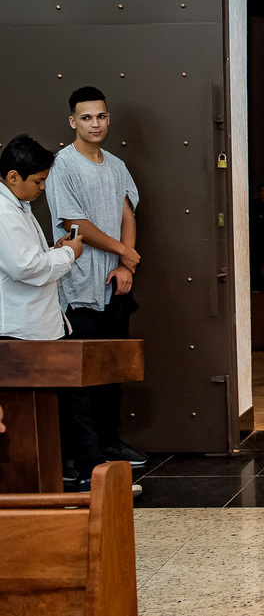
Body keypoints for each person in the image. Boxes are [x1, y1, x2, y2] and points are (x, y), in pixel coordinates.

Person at [45, 87, 146, 486]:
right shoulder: (63, 166)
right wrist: (124, 250)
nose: (95, 124)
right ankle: (80, 459)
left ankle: (110, 443)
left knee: (112, 370)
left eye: (101, 116)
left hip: (114, 286)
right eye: (86, 118)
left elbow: (127, 213)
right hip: (78, 288)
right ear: (73, 122)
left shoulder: (117, 165)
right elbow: (76, 224)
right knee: (79, 378)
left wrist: (126, 264)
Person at [0, 135, 83, 340]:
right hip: (19, 332)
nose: (43, 187)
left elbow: (25, 258)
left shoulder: (17, 206)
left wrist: (54, 251)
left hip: (29, 328)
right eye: (39, 181)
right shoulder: (4, 212)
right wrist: (68, 253)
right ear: (13, 177)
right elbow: (26, 267)